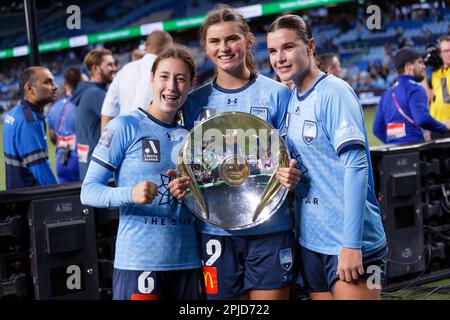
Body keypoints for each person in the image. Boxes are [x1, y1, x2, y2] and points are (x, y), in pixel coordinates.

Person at [170, 5, 301, 300]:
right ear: (205, 47)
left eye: (231, 39)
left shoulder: (278, 93)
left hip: (270, 228)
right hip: (215, 234)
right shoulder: (193, 103)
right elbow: (185, 162)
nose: (224, 48)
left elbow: (292, 158)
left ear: (248, 41)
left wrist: (293, 175)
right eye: (215, 41)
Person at [266, 14, 387, 300]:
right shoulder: (293, 97)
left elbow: (356, 168)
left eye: (288, 47)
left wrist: (351, 245)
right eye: (272, 51)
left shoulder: (335, 92)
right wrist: (291, 175)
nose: (279, 58)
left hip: (355, 244)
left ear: (309, 46)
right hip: (313, 243)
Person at [80, 47, 202, 300]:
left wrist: (190, 192)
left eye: (180, 79)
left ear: (191, 84)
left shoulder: (191, 136)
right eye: (164, 77)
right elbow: (88, 191)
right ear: (152, 79)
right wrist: (130, 193)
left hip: (188, 262)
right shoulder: (124, 126)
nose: (172, 86)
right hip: (139, 262)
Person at [373, 47, 450, 144]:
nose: (424, 66)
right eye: (420, 62)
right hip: (415, 150)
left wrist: (395, 143)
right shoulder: (415, 88)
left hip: (392, 152)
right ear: (409, 67)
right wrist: (444, 127)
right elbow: (422, 119)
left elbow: (377, 129)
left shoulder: (387, 94)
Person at [100, 30, 173, 131]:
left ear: (146, 45)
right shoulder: (168, 71)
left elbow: (108, 112)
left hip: (124, 136)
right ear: (169, 48)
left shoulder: (124, 69)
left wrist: (106, 144)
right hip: (155, 137)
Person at [3, 67, 58, 190]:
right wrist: (60, 192)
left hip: (17, 195)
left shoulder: (13, 113)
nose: (55, 86)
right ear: (29, 88)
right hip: (31, 199)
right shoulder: (28, 120)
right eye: (47, 82)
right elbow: (39, 167)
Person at [72, 48, 117, 181]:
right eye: (109, 65)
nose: (114, 68)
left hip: (89, 166)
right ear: (96, 68)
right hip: (99, 170)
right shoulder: (96, 94)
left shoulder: (87, 90)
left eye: (114, 64)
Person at [47, 67, 84, 183]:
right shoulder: (82, 104)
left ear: (64, 83)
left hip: (61, 159)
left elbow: (52, 137)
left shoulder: (54, 108)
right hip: (81, 158)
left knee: (67, 199)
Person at [426, 35, 450, 139]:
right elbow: (429, 97)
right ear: (440, 54)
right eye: (445, 51)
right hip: (436, 129)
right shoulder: (435, 74)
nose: (449, 54)